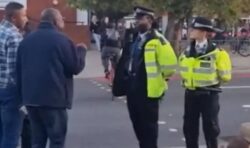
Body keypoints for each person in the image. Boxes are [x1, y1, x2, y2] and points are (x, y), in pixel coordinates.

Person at [17, 8, 87, 148]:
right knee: (56, 140)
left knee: (37, 140)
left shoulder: (26, 41)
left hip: (31, 99)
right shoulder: (62, 40)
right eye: (62, 19)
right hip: (54, 99)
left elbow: (18, 70)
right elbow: (75, 67)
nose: (64, 22)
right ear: (55, 21)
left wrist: (23, 96)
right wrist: (81, 51)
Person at [113, 6, 177, 148]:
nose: (136, 21)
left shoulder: (158, 40)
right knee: (139, 129)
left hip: (148, 92)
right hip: (132, 90)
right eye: (136, 18)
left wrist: (160, 80)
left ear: (149, 20)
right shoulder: (134, 39)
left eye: (139, 18)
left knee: (149, 132)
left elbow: (170, 66)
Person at [179, 17, 232, 148]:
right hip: (191, 95)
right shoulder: (186, 52)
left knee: (211, 129)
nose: (191, 31)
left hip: (209, 95)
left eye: (194, 29)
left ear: (203, 32)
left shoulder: (218, 54)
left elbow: (225, 76)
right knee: (189, 129)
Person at [0, 2, 28, 148]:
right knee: (11, 136)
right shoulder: (14, 36)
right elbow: (14, 70)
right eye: (23, 15)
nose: (26, 19)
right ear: (13, 18)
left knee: (1, 133)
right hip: (10, 92)